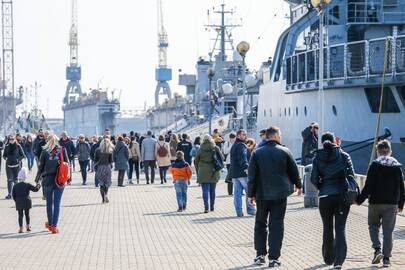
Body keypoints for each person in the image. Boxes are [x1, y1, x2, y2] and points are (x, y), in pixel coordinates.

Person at [248, 127, 302, 268]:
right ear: (276, 136)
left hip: (261, 194)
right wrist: (298, 185)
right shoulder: (285, 151)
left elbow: (252, 176)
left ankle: (260, 254)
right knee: (276, 225)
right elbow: (294, 170)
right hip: (280, 194)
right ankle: (274, 258)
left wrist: (250, 194)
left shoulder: (257, 153)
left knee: (260, 223)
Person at [310, 132, 355, 269]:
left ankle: (328, 258)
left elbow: (313, 179)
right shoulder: (344, 155)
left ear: (322, 142)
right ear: (334, 141)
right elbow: (351, 176)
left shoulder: (317, 157)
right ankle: (339, 262)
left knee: (327, 227)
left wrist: (321, 187)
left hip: (325, 197)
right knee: (340, 228)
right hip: (342, 196)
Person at [357, 140, 404, 267]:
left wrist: (359, 200)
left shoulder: (374, 165)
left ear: (378, 152)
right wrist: (400, 205)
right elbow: (401, 187)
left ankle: (377, 249)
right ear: (390, 151)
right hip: (391, 204)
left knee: (373, 226)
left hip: (375, 203)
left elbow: (368, 186)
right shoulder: (396, 166)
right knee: (388, 231)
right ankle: (387, 259)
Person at [35, 134, 70, 234]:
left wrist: (37, 179)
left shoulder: (45, 151)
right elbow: (67, 164)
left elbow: (40, 167)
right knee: (57, 204)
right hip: (60, 179)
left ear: (48, 140)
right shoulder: (62, 150)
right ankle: (54, 226)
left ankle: (50, 224)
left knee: (49, 203)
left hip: (47, 180)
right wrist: (69, 179)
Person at [194, 135, 223, 213]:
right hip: (214, 170)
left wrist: (198, 169)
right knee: (212, 190)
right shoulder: (215, 147)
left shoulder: (201, 149)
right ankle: (212, 207)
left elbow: (196, 161)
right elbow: (222, 158)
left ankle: (206, 207)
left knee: (205, 190)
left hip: (203, 170)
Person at [231, 129, 256, 217]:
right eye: (242, 134)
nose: (244, 136)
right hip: (242, 173)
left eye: (245, 134)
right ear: (238, 136)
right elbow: (243, 158)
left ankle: (239, 211)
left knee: (237, 193)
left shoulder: (234, 145)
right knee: (249, 192)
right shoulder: (242, 146)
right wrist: (246, 168)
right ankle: (251, 210)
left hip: (234, 173)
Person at [12, 168, 40, 233]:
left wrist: (16, 201)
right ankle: (28, 226)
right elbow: (36, 189)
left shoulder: (15, 186)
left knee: (20, 215)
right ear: (25, 177)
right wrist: (38, 184)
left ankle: (21, 228)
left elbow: (13, 195)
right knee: (27, 215)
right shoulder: (27, 185)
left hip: (19, 202)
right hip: (27, 201)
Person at [3, 135, 26, 199]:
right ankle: (9, 194)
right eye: (10, 139)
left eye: (12, 139)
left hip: (16, 165)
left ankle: (16, 194)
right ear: (9, 140)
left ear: (15, 139)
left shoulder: (18, 146)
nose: (11, 140)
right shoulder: (7, 147)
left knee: (16, 180)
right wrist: (6, 158)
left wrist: (18, 160)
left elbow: (23, 155)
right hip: (8, 166)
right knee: (9, 180)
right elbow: (4, 155)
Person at [94, 138, 114, 203]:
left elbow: (95, 160)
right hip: (107, 168)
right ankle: (106, 195)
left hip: (100, 168)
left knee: (101, 184)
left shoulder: (97, 150)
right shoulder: (110, 150)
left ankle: (103, 199)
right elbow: (111, 161)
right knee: (107, 183)